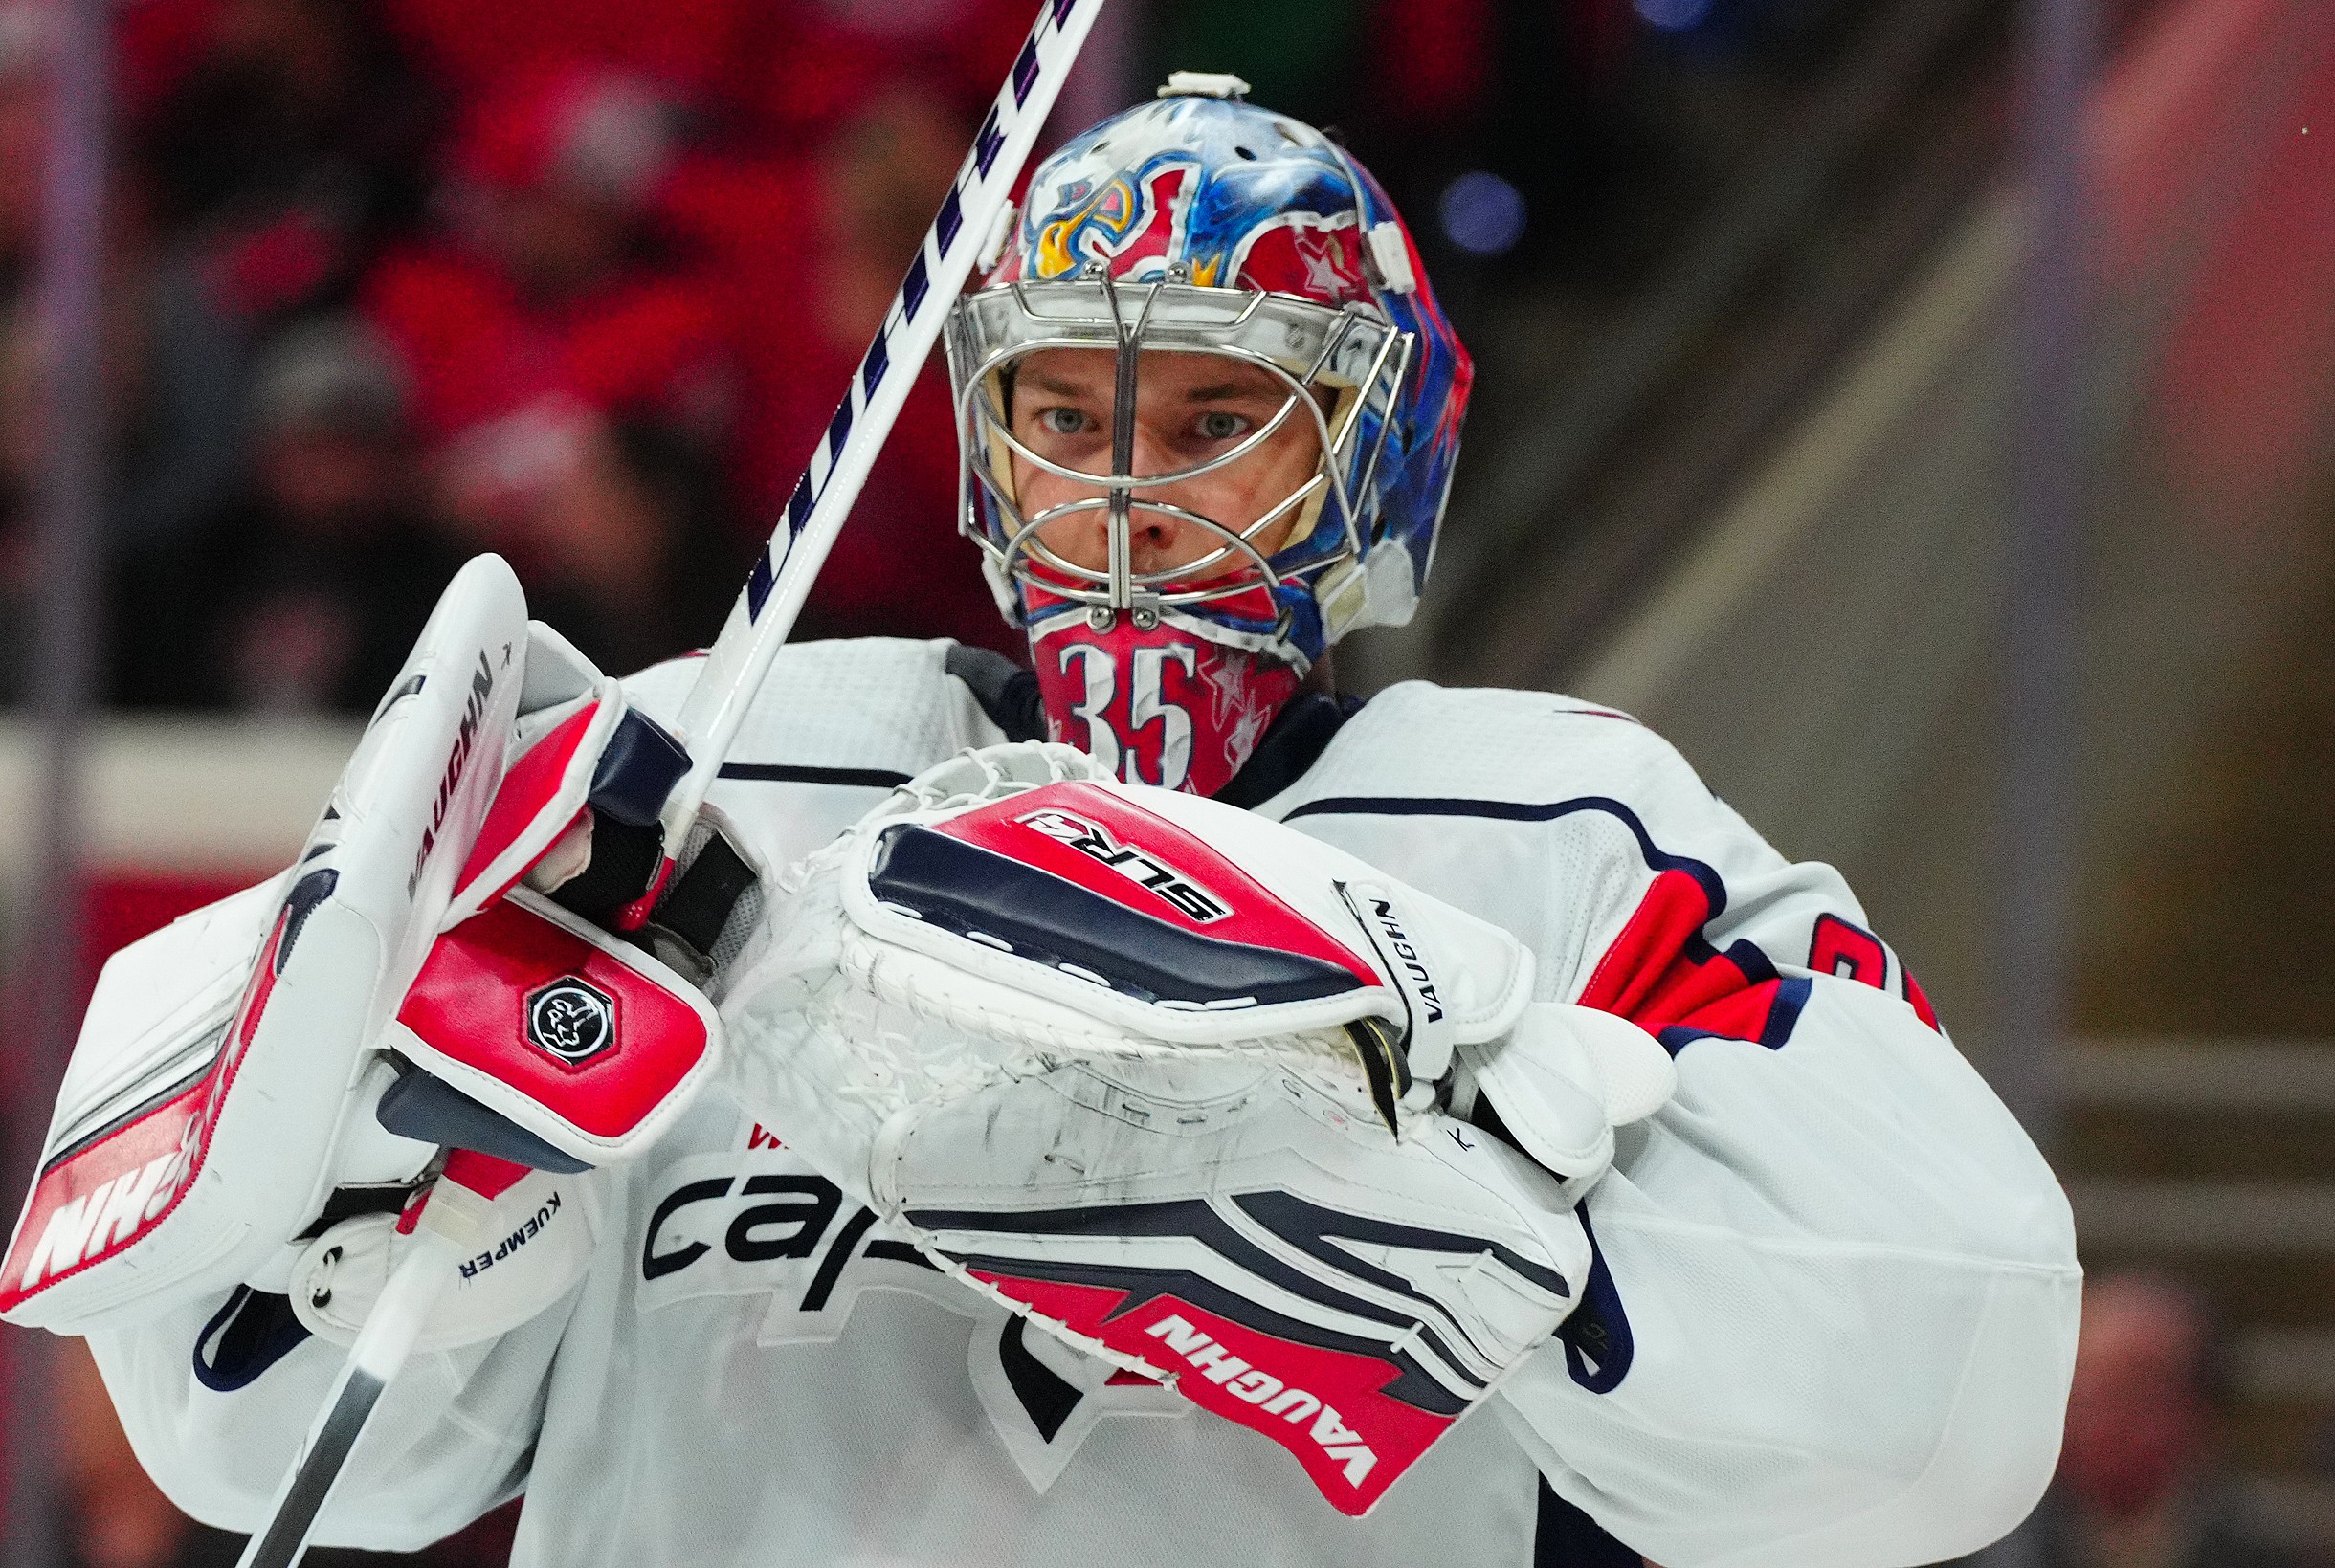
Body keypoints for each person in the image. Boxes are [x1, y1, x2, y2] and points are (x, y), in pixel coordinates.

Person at [41, 81, 2079, 1567]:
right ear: (981, 443)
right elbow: (296, 1447)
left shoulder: (1561, 832)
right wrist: (393, 1143)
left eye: (1211, 422)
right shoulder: (718, 765)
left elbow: (1930, 1403)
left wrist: (1440, 1169)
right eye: (1066, 419)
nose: (1120, 498)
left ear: (1372, 451)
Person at [1950, 1273, 2314, 1568]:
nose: (2086, 1418)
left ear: (2198, 1411)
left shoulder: (2267, 1551)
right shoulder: (1986, 1546)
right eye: (2079, 1389)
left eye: (2125, 1392)